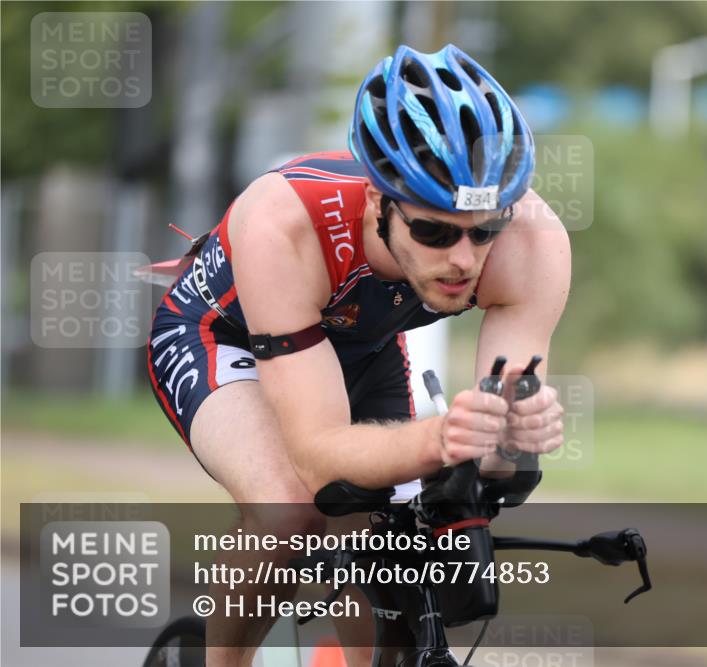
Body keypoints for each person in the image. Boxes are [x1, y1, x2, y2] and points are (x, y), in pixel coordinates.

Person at [146, 44, 570, 667]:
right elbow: (319, 459)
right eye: (433, 231)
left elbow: (498, 466)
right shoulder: (283, 222)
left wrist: (510, 440)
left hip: (361, 343)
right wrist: (442, 440)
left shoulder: (532, 245)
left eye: (483, 231)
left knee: (393, 543)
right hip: (222, 334)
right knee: (292, 506)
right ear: (378, 203)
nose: (462, 257)